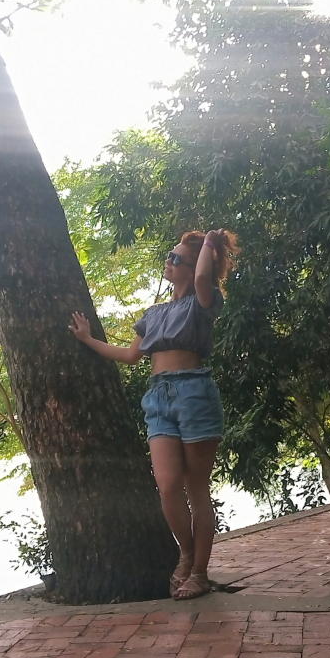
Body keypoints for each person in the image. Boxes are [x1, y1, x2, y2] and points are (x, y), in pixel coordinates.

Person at [68, 227, 239, 599]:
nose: (168, 260)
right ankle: (187, 554)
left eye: (176, 257)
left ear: (192, 267)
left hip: (194, 393)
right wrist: (87, 339)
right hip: (157, 397)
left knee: (197, 489)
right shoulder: (154, 314)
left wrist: (210, 245)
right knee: (167, 485)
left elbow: (203, 278)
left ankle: (199, 573)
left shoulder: (204, 302)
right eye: (169, 255)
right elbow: (130, 356)